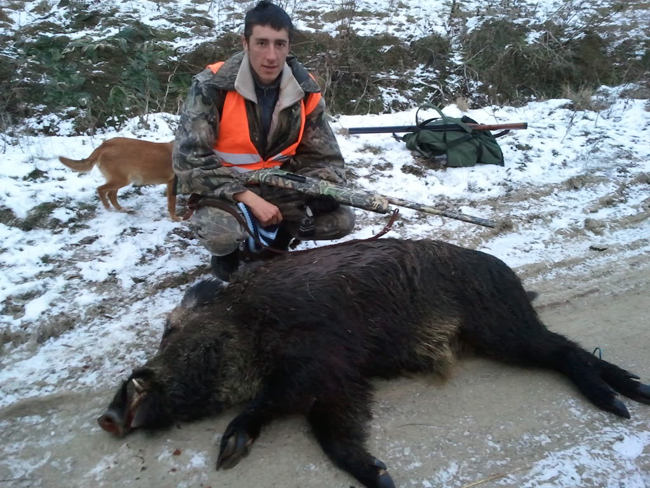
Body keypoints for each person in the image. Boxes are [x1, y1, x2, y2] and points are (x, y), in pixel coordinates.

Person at [173, 0, 355, 281]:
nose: (271, 55)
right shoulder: (211, 85)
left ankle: (277, 242)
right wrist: (247, 197)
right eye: (261, 43)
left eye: (280, 44)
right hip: (224, 189)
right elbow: (189, 159)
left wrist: (319, 188)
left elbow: (324, 157)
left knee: (341, 220)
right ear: (245, 43)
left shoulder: (305, 88)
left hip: (282, 186)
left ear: (289, 46)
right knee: (221, 235)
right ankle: (229, 255)